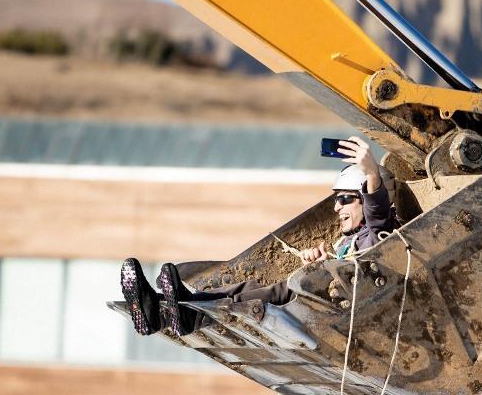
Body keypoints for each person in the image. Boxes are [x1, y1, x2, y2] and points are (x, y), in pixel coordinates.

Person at [121, 137, 397, 337]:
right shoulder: (348, 242)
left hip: (333, 314)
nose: (336, 207)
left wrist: (371, 171)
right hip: (320, 303)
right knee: (245, 288)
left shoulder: (379, 237)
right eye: (337, 200)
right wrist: (319, 261)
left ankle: (190, 314)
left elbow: (379, 214)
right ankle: (157, 311)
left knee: (274, 293)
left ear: (366, 199)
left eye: (345, 199)